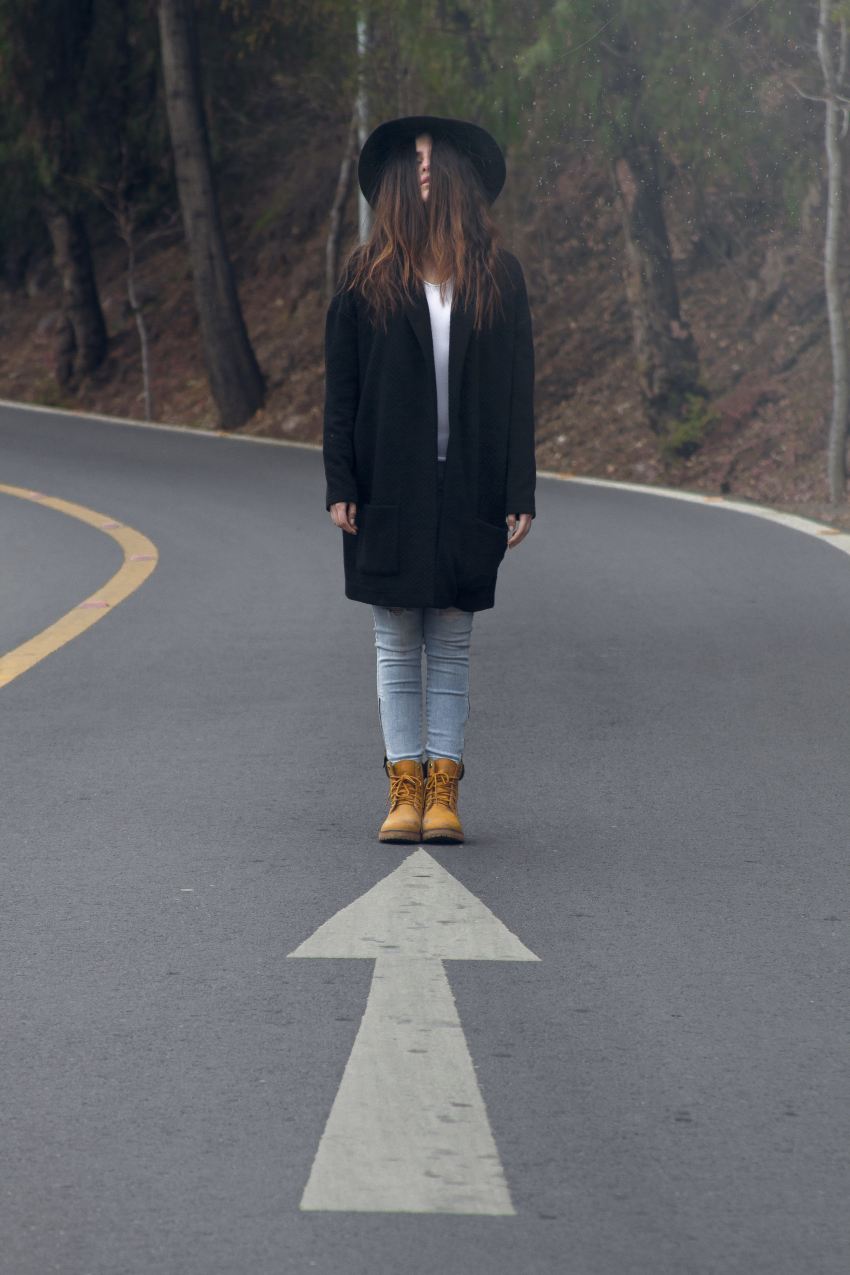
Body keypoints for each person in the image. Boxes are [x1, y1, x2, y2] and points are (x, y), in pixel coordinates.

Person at [323, 114, 536, 845]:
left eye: (430, 155)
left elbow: (518, 390)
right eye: (409, 157)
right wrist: (340, 480)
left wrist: (519, 490)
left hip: (469, 483)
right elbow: (341, 392)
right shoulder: (362, 278)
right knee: (394, 639)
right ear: (390, 182)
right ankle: (402, 787)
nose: (420, 165)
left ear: (454, 175)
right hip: (389, 484)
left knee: (450, 640)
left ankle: (445, 788)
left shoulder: (497, 277)